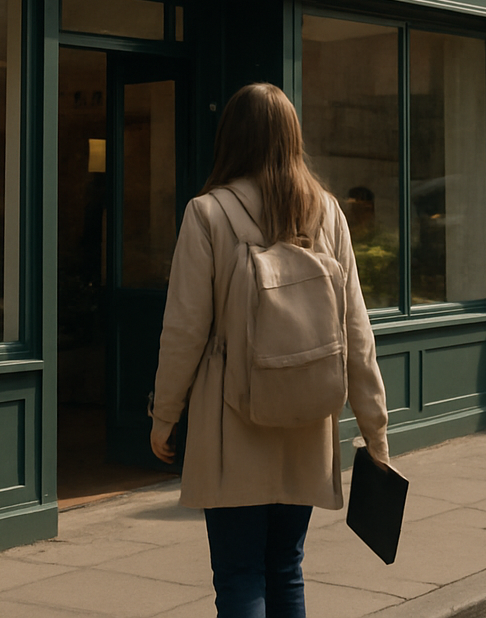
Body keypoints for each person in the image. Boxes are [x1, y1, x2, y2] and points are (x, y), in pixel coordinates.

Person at [150, 83, 390, 618]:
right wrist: (375, 431)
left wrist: (164, 415)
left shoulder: (207, 213)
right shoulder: (328, 212)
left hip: (230, 421)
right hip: (308, 418)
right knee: (286, 568)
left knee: (239, 576)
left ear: (231, 138)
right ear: (292, 137)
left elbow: (184, 329)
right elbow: (357, 331)